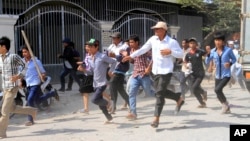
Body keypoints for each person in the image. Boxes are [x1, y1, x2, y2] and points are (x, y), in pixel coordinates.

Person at [122, 21, 184, 128]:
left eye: (157, 29)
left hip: (166, 71)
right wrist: (131, 56)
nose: (155, 31)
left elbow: (181, 54)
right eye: (155, 29)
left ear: (164, 30)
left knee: (159, 93)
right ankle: (178, 98)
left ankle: (156, 118)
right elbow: (143, 49)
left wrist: (171, 52)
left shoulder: (171, 42)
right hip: (155, 71)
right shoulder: (152, 39)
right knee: (160, 91)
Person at [0, 36, 37, 139]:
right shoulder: (0, 58)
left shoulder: (13, 57)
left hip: (12, 88)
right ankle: (32, 111)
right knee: (12, 108)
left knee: (4, 111)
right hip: (5, 88)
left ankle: (2, 133)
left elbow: (25, 66)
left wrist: (18, 76)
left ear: (4, 47)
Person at [78, 38, 116, 123]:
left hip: (102, 82)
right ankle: (109, 117)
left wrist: (110, 71)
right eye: (88, 47)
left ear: (96, 47)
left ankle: (109, 103)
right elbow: (91, 71)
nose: (89, 49)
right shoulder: (90, 58)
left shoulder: (102, 56)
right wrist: (83, 70)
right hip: (95, 83)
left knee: (94, 100)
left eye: (91, 47)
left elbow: (113, 62)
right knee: (99, 103)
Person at [21, 46, 59, 126]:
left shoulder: (36, 61)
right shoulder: (22, 62)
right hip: (28, 84)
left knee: (30, 100)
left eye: (25, 52)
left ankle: (30, 120)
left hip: (35, 83)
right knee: (37, 101)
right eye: (23, 52)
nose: (24, 54)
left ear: (30, 52)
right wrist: (20, 81)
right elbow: (21, 73)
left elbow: (43, 72)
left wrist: (42, 76)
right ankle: (52, 93)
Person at [206, 32, 236, 114]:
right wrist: (208, 55)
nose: (217, 42)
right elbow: (207, 61)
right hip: (217, 74)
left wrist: (229, 63)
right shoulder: (212, 51)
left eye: (219, 40)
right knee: (217, 92)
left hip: (226, 74)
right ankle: (226, 106)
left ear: (223, 41)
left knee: (217, 89)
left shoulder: (228, 50)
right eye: (216, 40)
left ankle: (225, 104)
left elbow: (234, 59)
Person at [125, 34, 154, 120]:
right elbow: (134, 62)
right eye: (129, 42)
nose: (130, 44)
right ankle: (133, 113)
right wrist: (130, 59)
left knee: (149, 93)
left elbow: (154, 57)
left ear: (137, 42)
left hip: (144, 75)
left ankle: (159, 95)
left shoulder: (143, 50)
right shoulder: (131, 51)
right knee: (131, 93)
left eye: (132, 42)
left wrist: (149, 67)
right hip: (135, 75)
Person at [107, 32, 130, 114]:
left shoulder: (125, 46)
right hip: (112, 68)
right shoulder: (111, 46)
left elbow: (124, 58)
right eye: (112, 38)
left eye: (114, 38)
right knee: (120, 88)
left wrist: (115, 56)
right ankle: (131, 104)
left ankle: (113, 107)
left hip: (120, 68)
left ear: (119, 38)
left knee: (112, 85)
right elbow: (106, 55)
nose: (113, 39)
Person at [184, 38, 207, 108]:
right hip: (193, 73)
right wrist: (186, 66)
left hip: (200, 73)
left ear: (196, 44)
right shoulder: (188, 54)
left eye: (193, 43)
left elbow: (207, 54)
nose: (192, 44)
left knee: (194, 87)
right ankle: (202, 103)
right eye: (191, 43)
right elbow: (185, 61)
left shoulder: (200, 52)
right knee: (194, 90)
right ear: (189, 44)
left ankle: (203, 92)